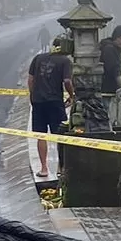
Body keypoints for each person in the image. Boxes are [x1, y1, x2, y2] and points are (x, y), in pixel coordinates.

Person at [27, 35, 75, 178]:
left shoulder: (38, 58)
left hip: (38, 102)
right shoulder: (65, 61)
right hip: (55, 102)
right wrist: (72, 96)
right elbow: (67, 81)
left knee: (41, 135)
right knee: (60, 135)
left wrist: (33, 96)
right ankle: (61, 168)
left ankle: (43, 169)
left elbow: (30, 80)